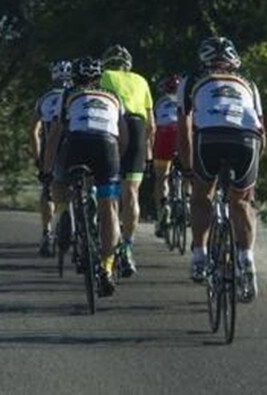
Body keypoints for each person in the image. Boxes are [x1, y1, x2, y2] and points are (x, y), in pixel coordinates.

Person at [177, 37, 265, 302]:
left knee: (202, 195)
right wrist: (250, 182)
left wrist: (187, 165)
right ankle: (246, 260)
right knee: (242, 202)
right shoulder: (249, 83)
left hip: (210, 138)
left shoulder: (191, 80)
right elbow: (263, 131)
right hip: (247, 139)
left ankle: (199, 256)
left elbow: (184, 127)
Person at [44, 57, 128, 296]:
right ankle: (107, 267)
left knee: (61, 181)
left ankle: (63, 212)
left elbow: (55, 134)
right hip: (107, 147)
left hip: (76, 144)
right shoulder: (114, 96)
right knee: (108, 208)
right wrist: (116, 163)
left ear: (75, 78)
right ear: (99, 77)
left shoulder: (68, 94)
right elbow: (123, 136)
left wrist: (47, 171)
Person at [100, 45, 154, 277]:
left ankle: (107, 252)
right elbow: (152, 123)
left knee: (108, 192)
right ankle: (128, 246)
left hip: (114, 125)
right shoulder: (141, 80)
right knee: (131, 192)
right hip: (138, 126)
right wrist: (148, 149)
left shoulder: (103, 76)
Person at [30, 60, 72, 257]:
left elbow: (33, 131)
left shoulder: (44, 98)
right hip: (77, 147)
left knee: (48, 190)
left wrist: (39, 158)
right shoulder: (77, 96)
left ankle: (47, 232)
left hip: (52, 148)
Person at [152, 75, 182, 238]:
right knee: (189, 171)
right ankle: (187, 198)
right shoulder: (186, 100)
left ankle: (162, 207)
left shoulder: (160, 102)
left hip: (164, 134)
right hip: (181, 133)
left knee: (161, 178)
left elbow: (154, 125)